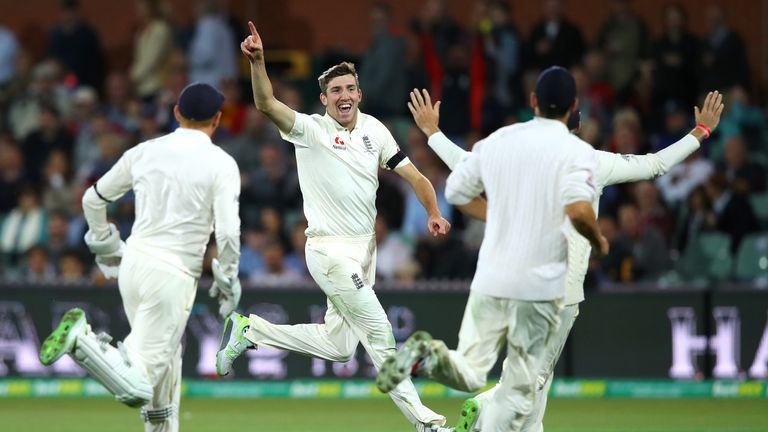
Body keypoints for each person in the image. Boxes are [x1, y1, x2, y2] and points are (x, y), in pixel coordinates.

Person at [394, 84, 723, 432]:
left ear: (536, 106)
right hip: (559, 292)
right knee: (530, 382)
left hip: (514, 282)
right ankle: (482, 406)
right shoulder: (590, 160)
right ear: (575, 121)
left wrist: (432, 132)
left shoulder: (514, 152)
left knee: (537, 384)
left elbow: (465, 162)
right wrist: (699, 133)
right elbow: (654, 165)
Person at [215, 22, 455, 432]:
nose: (344, 96)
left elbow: (415, 176)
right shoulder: (311, 130)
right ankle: (427, 423)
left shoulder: (375, 130)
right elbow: (267, 103)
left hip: (365, 250)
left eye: (350, 89)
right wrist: (257, 62)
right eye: (335, 91)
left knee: (340, 346)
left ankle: (250, 329)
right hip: (328, 250)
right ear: (323, 99)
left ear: (359, 93)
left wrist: (433, 210)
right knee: (380, 331)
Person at [377, 66, 607, 432]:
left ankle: (430, 357)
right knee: (520, 393)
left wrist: (499, 212)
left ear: (532, 101)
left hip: (492, 277)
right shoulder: (575, 152)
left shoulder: (501, 141)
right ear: (573, 107)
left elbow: (455, 193)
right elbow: (580, 210)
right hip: (539, 289)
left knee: (469, 372)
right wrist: (598, 239)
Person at [38, 82, 242, 432]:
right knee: (137, 385)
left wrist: (106, 244)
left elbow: (92, 200)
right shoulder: (221, 163)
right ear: (218, 119)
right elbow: (226, 233)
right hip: (173, 275)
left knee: (165, 369)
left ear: (176, 113)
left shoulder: (145, 151)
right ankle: (83, 339)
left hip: (134, 264)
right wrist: (228, 277)